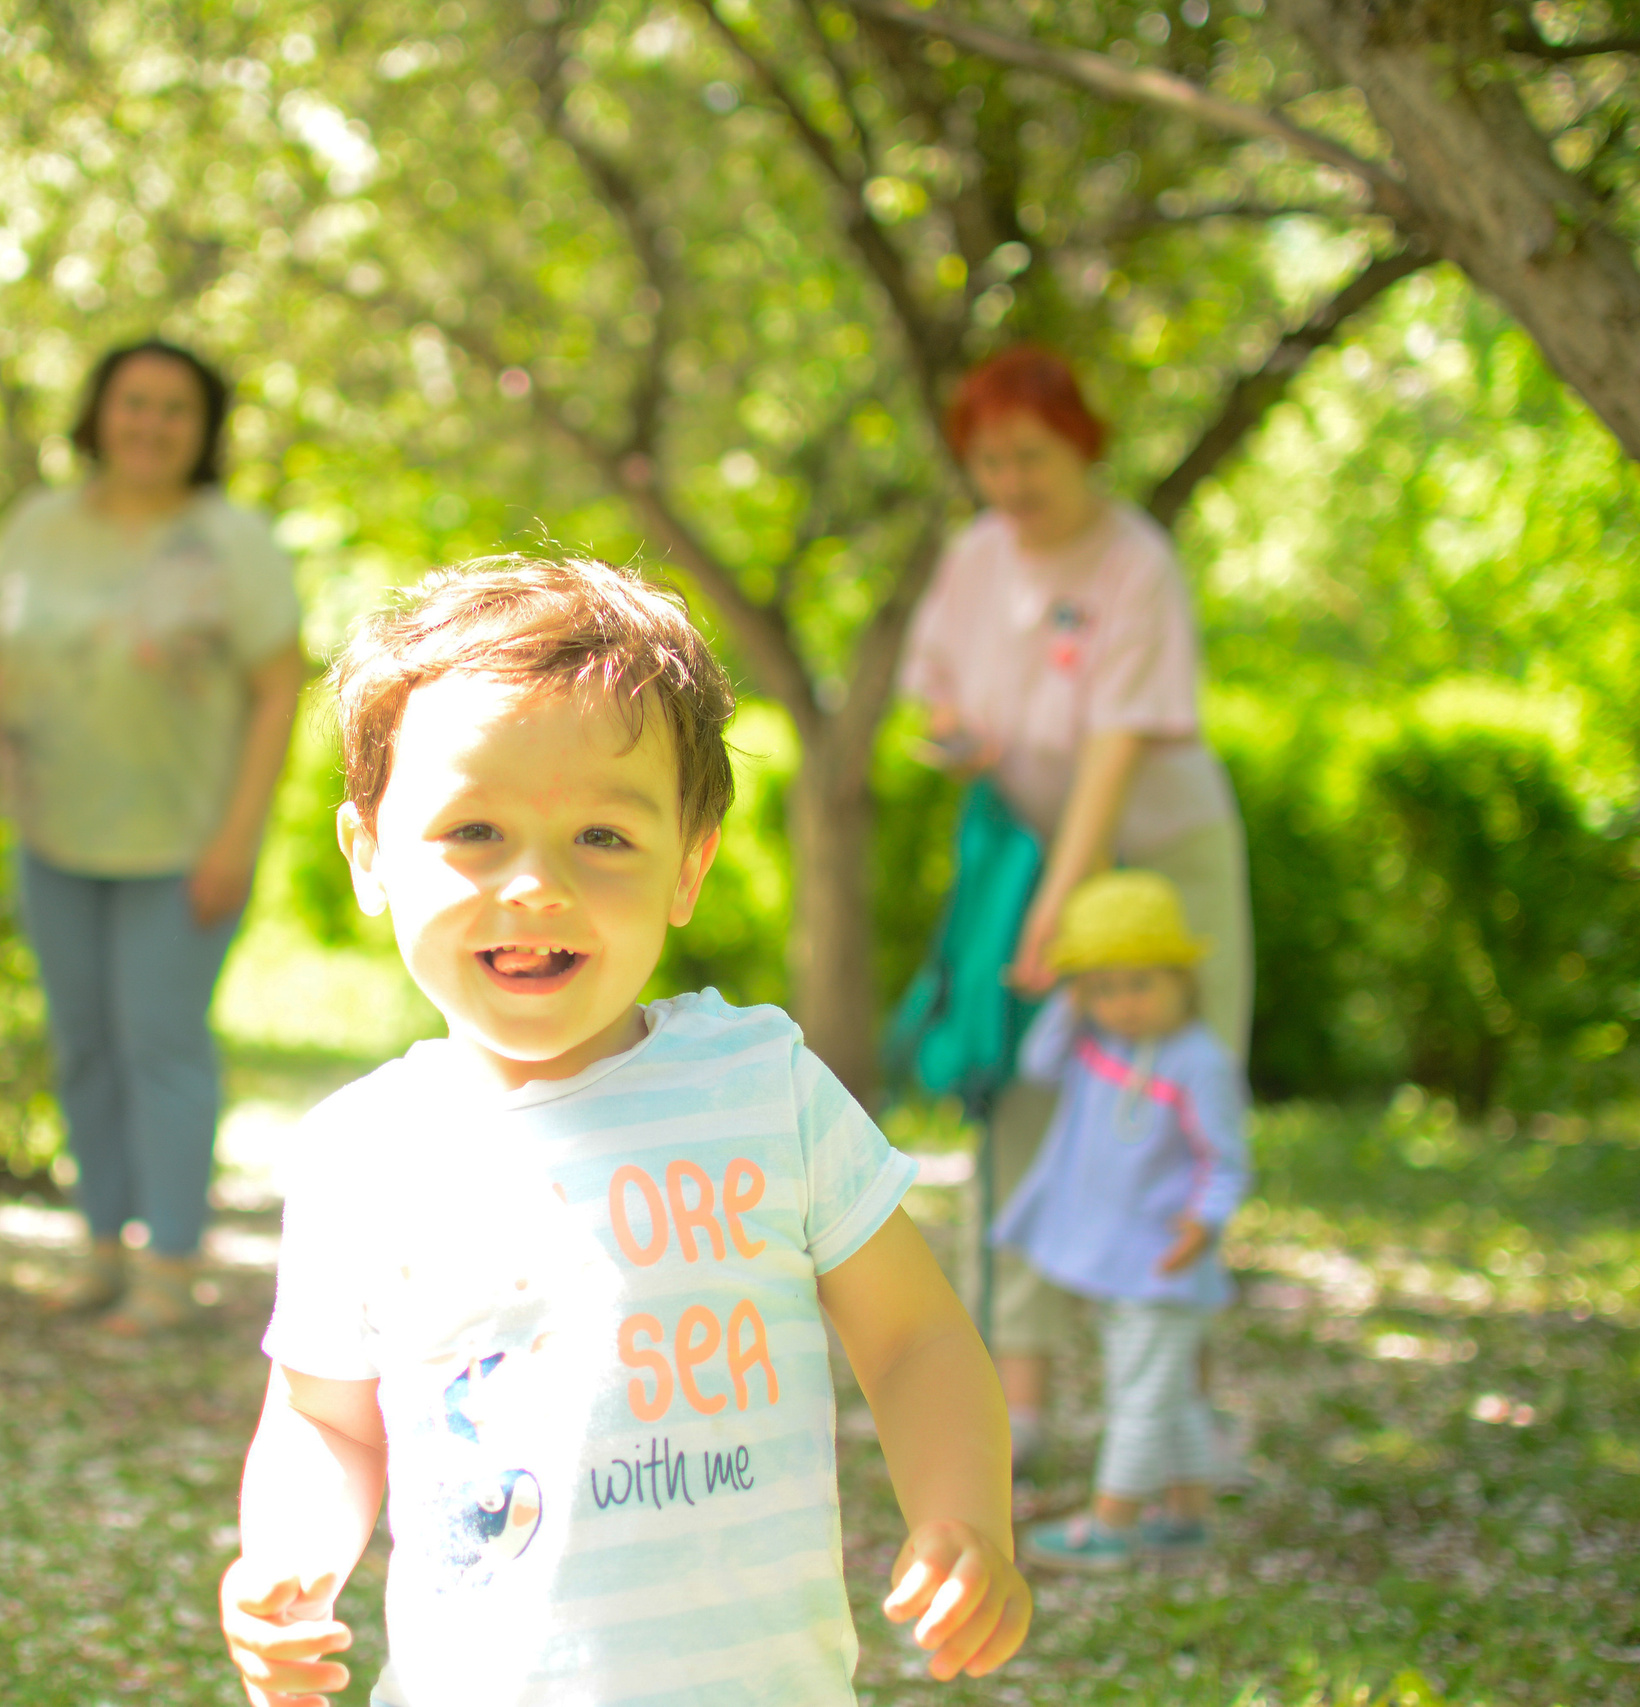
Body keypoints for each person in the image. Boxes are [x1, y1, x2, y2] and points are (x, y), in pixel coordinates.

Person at [222, 559, 1029, 1705]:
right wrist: (285, 1566)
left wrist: (964, 1518)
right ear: (369, 855)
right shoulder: (363, 1153)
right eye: (473, 831)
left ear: (688, 863)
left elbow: (914, 1341)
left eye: (602, 837)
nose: (536, 885)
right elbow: (325, 1421)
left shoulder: (763, 1091)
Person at [900, 345, 1252, 1467]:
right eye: (986, 459)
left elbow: (1112, 749)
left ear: (1082, 444)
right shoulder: (971, 559)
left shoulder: (1134, 563)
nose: (1007, 479)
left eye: (1029, 455)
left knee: (1175, 1111)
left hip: (1155, 858)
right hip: (1035, 855)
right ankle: (1024, 1407)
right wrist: (961, 743)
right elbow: (938, 695)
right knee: (1021, 1104)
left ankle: (1172, 1423)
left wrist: (1059, 911)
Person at [0, 339, 302, 1335]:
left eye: (174, 410)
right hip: (52, 829)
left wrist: (238, 835)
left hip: (182, 841)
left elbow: (279, 688)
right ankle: (103, 1246)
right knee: (84, 1048)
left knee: (159, 1043)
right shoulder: (38, 527)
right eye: (133, 404)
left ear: (203, 430)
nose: (150, 425)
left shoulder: (233, 540)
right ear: (98, 414)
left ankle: (171, 1263)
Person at [998, 871, 1250, 1572]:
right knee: (1167, 1393)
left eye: (1141, 983)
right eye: (1104, 987)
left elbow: (1224, 1159)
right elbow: (1036, 1063)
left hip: (1164, 1260)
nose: (1124, 1003)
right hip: (1119, 1260)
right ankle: (1188, 1516)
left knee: (1138, 1394)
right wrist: (1069, 1001)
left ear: (1181, 978)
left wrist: (1203, 1223)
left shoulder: (1201, 1062)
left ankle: (1112, 1522)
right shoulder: (1093, 1042)